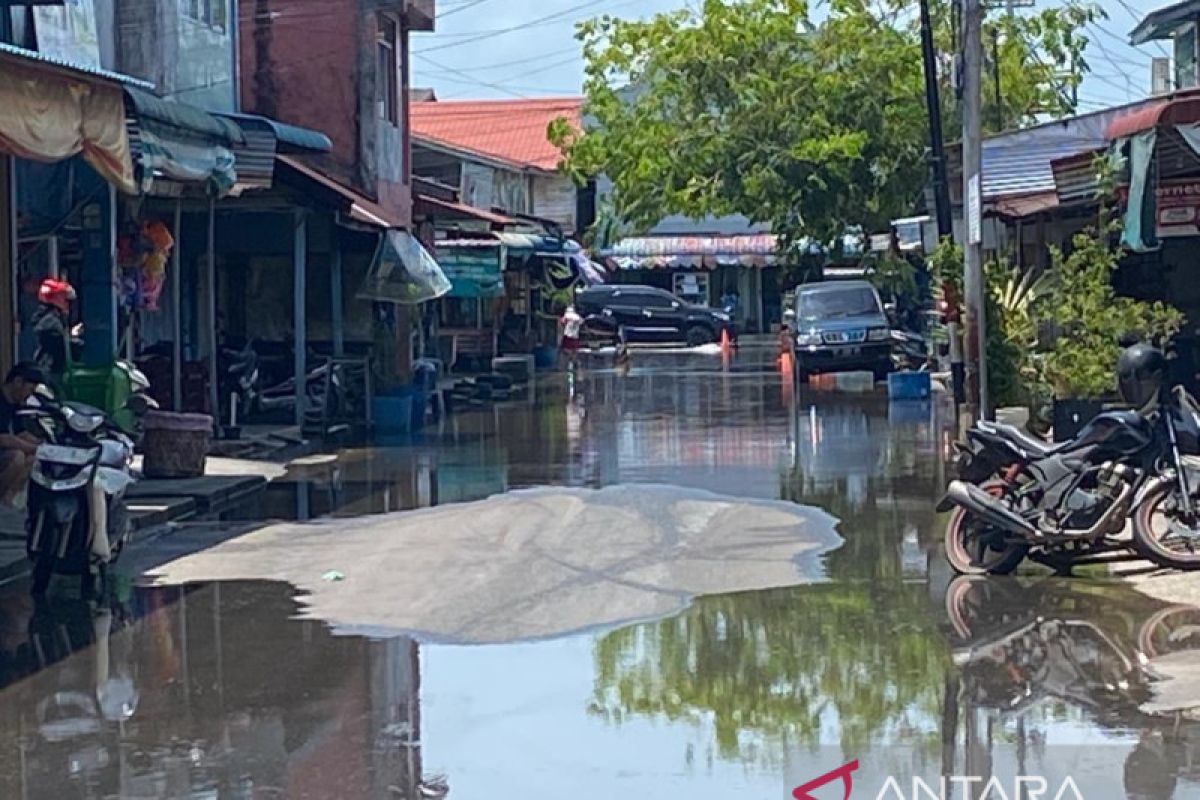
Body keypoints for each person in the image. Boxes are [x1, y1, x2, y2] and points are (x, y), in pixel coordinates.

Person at [0, 363, 45, 508]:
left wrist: (42, 444)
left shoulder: (16, 404)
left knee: (32, 460)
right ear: (18, 382)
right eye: (29, 389)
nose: (29, 395)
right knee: (17, 457)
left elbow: (21, 434)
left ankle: (8, 498)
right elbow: (4, 439)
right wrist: (34, 448)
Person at [32, 278, 76, 379]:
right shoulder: (49, 321)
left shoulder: (45, 318)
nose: (68, 305)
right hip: (50, 374)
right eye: (66, 300)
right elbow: (59, 344)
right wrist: (76, 342)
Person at [560, 304, 584, 371]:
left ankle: (570, 363)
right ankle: (575, 363)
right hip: (575, 337)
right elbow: (581, 322)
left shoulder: (566, 316)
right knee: (574, 351)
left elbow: (562, 322)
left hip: (568, 336)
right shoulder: (577, 317)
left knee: (566, 351)